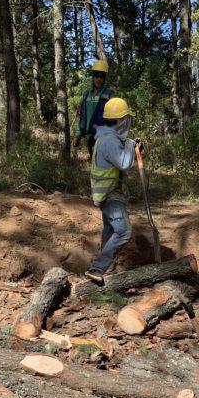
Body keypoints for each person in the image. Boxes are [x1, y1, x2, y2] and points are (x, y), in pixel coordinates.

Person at [84, 97, 139, 284]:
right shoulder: (109, 140)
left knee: (109, 231)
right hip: (109, 194)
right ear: (120, 121)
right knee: (123, 231)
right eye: (126, 119)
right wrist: (130, 144)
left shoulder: (106, 138)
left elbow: (119, 159)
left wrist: (131, 147)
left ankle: (103, 270)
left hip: (106, 193)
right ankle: (97, 268)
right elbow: (123, 163)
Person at [73, 60, 113, 157]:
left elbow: (114, 117)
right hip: (90, 136)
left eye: (101, 76)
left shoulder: (108, 94)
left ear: (104, 78)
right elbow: (83, 116)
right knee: (93, 160)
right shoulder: (87, 94)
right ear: (92, 76)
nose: (99, 79)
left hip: (102, 136)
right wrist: (78, 134)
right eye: (96, 75)